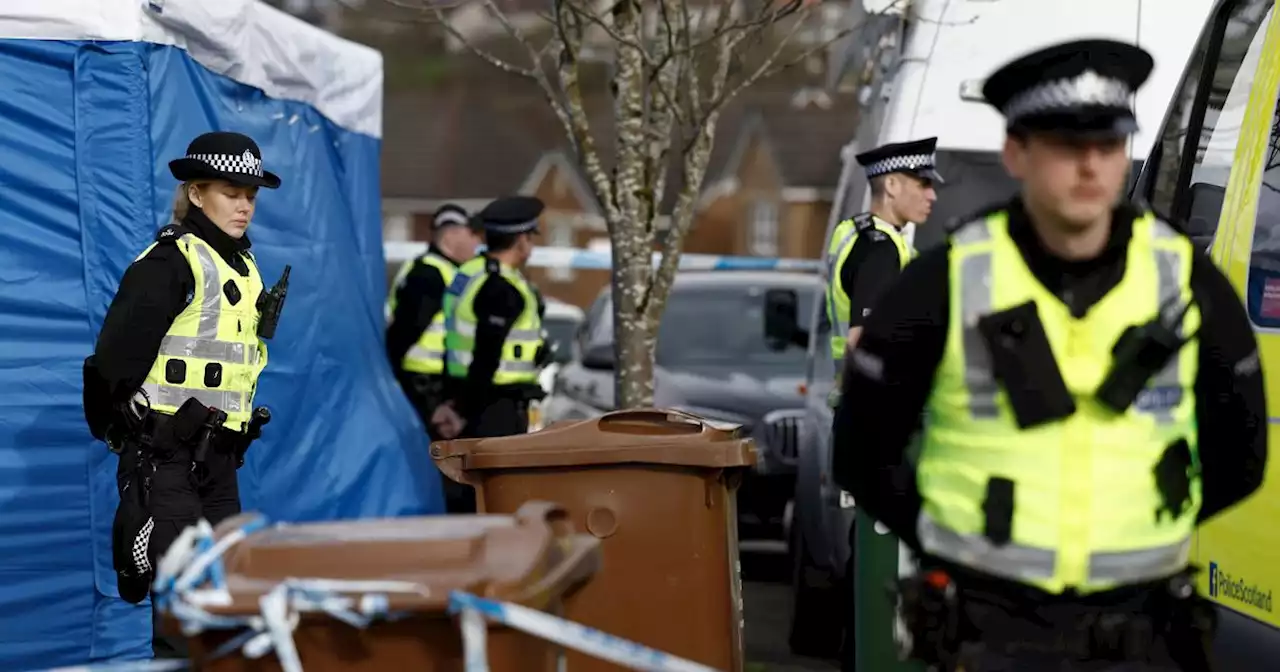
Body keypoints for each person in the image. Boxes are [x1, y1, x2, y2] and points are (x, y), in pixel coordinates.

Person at [833, 39, 1269, 670]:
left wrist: (1148, 522)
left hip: (1142, 632)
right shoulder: (943, 282)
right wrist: (952, 543)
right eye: (1067, 147)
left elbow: (1243, 452)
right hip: (986, 631)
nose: (1090, 167)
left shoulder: (1187, 279)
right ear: (1018, 153)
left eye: (1109, 146)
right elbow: (862, 453)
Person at [82, 131, 286, 657]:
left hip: (219, 463)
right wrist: (124, 436)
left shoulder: (243, 265)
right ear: (196, 194)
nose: (244, 205)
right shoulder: (170, 263)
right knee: (181, 611)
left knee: (225, 604)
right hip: (165, 460)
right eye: (231, 191)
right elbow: (110, 365)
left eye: (251, 195)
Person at [431, 195, 549, 512]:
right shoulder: (501, 288)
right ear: (522, 240)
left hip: (464, 396)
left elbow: (456, 345)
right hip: (493, 408)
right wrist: (461, 412)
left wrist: (452, 403)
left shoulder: (470, 273)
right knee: (494, 497)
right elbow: (486, 355)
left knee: (468, 493)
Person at [385, 204, 483, 429]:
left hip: (432, 383)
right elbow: (406, 330)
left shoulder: (446, 271)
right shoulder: (429, 274)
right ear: (450, 235)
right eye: (472, 235)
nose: (477, 243)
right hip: (424, 385)